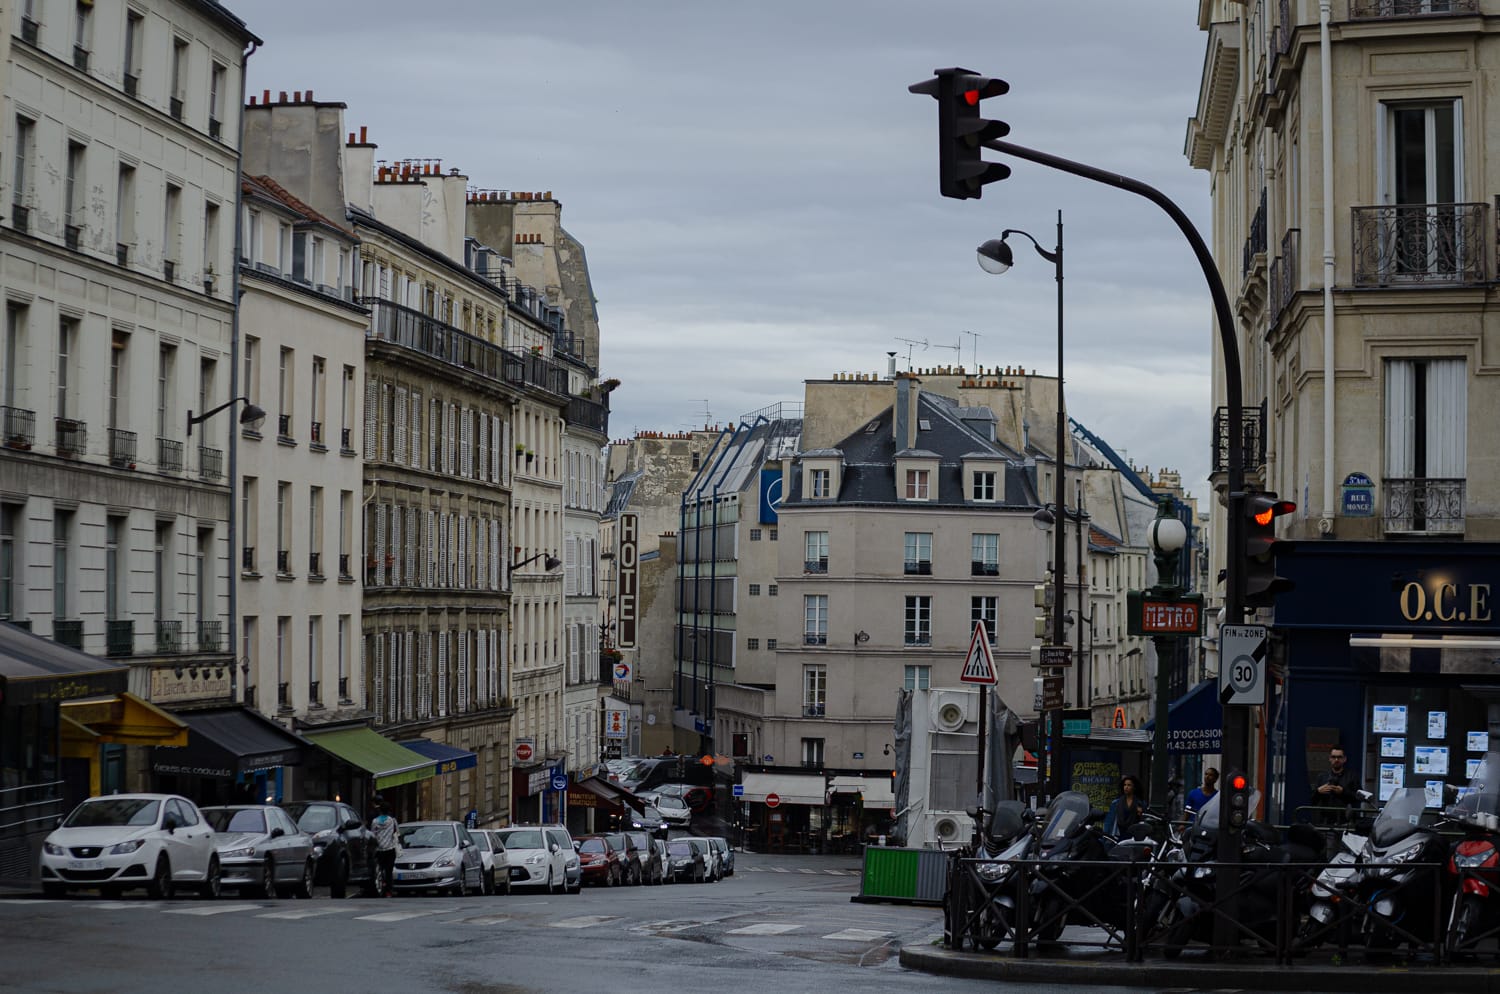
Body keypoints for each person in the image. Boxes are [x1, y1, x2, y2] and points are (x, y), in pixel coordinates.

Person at [1313, 745, 1361, 817]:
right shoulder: (1322, 777)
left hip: (1345, 820)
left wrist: (1343, 792)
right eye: (1333, 757)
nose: (1336, 760)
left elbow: (1358, 798)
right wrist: (1318, 792)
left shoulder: (1352, 777)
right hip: (1325, 820)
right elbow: (1312, 801)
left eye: (1339, 757)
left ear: (1344, 759)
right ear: (1329, 759)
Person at [370, 802, 399, 897]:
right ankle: (388, 891)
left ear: (380, 810)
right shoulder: (392, 821)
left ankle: (381, 885)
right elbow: (396, 833)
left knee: (379, 870)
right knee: (389, 871)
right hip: (390, 849)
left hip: (379, 849)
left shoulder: (374, 821)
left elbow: (372, 834)